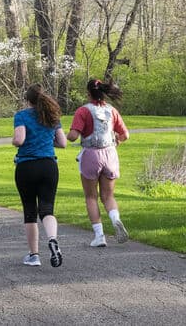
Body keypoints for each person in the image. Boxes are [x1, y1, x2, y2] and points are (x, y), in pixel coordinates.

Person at [67, 78, 130, 247]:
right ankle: (116, 219)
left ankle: (99, 236)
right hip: (110, 154)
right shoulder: (112, 111)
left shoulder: (83, 111)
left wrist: (67, 135)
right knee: (108, 196)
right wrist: (116, 140)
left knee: (91, 197)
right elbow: (125, 135)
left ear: (88, 93)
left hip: (91, 155)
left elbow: (73, 135)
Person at [13, 84, 67, 267]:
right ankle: (52, 239)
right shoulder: (52, 116)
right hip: (48, 165)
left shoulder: (21, 116)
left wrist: (15, 141)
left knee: (30, 210)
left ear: (28, 99)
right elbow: (63, 142)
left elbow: (19, 139)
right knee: (47, 209)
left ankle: (34, 255)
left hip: (26, 166)